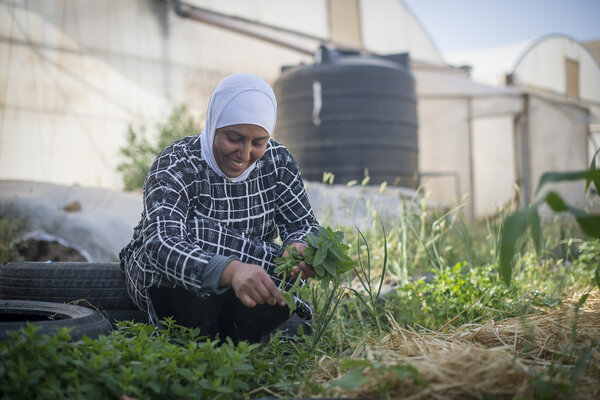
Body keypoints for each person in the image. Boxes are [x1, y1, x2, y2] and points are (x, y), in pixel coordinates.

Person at [119, 73, 320, 343]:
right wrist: (230, 270)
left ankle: (238, 334)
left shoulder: (277, 162)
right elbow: (160, 241)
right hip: (170, 280)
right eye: (234, 138)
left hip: (249, 275)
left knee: (283, 266)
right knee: (198, 233)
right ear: (214, 124)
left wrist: (300, 244)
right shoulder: (178, 164)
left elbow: (303, 223)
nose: (245, 153)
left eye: (258, 142)